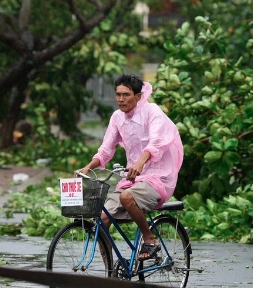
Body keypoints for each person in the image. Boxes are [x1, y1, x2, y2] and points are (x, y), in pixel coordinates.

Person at [76, 73, 183, 260]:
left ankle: (150, 239)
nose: (120, 99)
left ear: (138, 96)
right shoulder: (117, 117)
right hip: (133, 180)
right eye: (118, 94)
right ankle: (111, 273)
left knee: (126, 197)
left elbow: (156, 141)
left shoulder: (152, 112)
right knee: (101, 219)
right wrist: (87, 167)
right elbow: (106, 149)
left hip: (158, 179)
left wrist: (140, 163)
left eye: (126, 94)